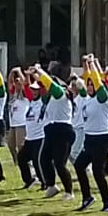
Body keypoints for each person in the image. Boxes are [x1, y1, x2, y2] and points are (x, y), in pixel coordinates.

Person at [73, 55, 108, 211]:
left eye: (93, 85)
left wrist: (92, 63)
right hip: (89, 139)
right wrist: (85, 63)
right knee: (79, 165)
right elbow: (87, 76)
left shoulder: (103, 99)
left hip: (102, 139)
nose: (90, 87)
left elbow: (97, 80)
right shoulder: (88, 99)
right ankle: (87, 197)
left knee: (98, 171)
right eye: (88, 85)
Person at [32, 67, 75, 198]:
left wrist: (39, 70)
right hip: (51, 131)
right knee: (44, 159)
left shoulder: (60, 94)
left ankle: (69, 191)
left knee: (59, 163)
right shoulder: (49, 99)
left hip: (62, 131)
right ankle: (51, 185)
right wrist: (34, 74)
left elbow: (49, 82)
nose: (42, 90)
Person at [4, 66, 28, 183]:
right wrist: (12, 72)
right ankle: (16, 161)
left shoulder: (25, 95)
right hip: (13, 124)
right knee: (10, 144)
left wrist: (18, 71)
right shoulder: (14, 95)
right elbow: (9, 83)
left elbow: (25, 83)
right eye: (16, 83)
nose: (17, 85)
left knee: (20, 145)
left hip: (22, 124)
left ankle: (26, 163)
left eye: (19, 84)